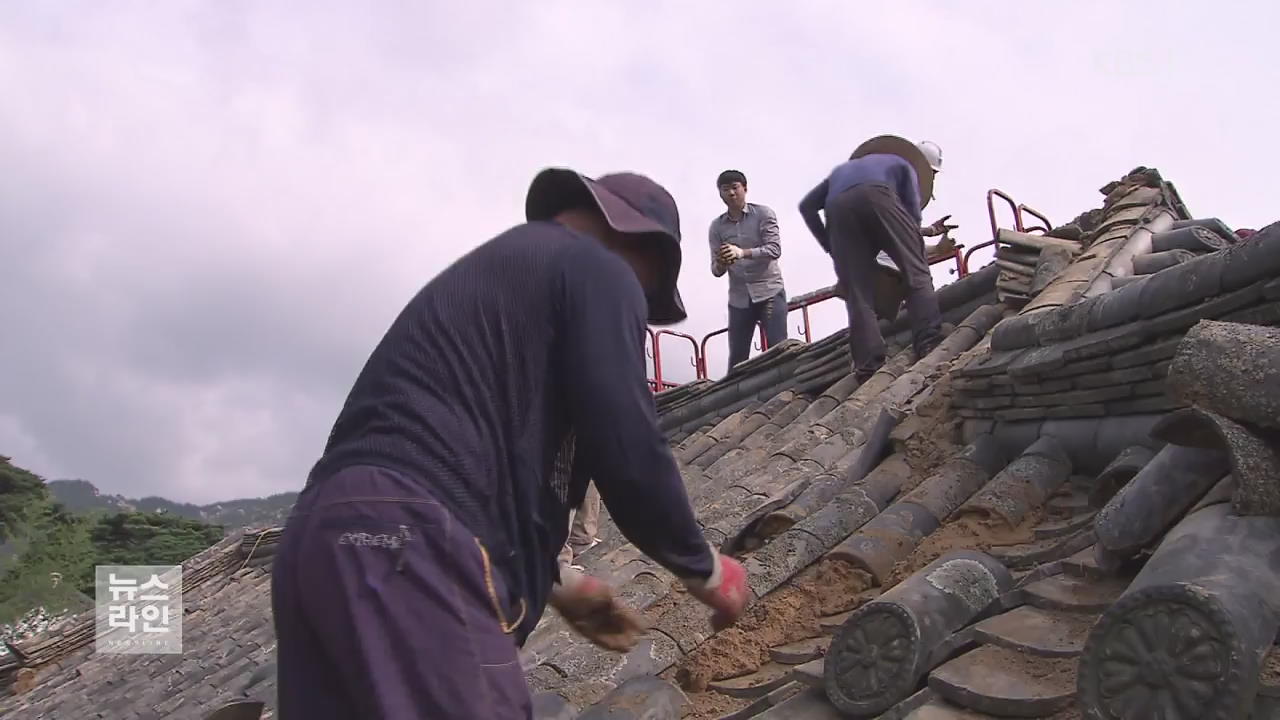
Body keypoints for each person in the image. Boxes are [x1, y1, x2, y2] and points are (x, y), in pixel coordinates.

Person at [270, 167, 750, 720]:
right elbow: (625, 440)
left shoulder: (497, 282)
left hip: (320, 541)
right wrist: (707, 569)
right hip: (411, 544)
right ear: (635, 240)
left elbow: (477, 454)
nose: (640, 308)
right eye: (648, 290)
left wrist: (557, 581)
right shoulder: (598, 268)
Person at [798, 136, 956, 384]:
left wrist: (831, 247)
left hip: (836, 210)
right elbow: (910, 224)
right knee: (916, 272)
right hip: (879, 197)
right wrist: (918, 241)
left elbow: (807, 206)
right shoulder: (903, 167)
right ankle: (928, 341)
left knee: (858, 293)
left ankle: (868, 364)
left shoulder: (842, 172)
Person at [709, 169, 788, 372]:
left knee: (778, 350)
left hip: (769, 290)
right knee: (737, 359)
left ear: (745, 188)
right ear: (720, 193)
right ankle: (736, 403)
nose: (731, 193)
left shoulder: (763, 214)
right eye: (725, 189)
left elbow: (774, 249)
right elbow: (716, 271)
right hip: (739, 298)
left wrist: (742, 253)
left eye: (735, 188)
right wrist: (723, 262)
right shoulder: (716, 227)